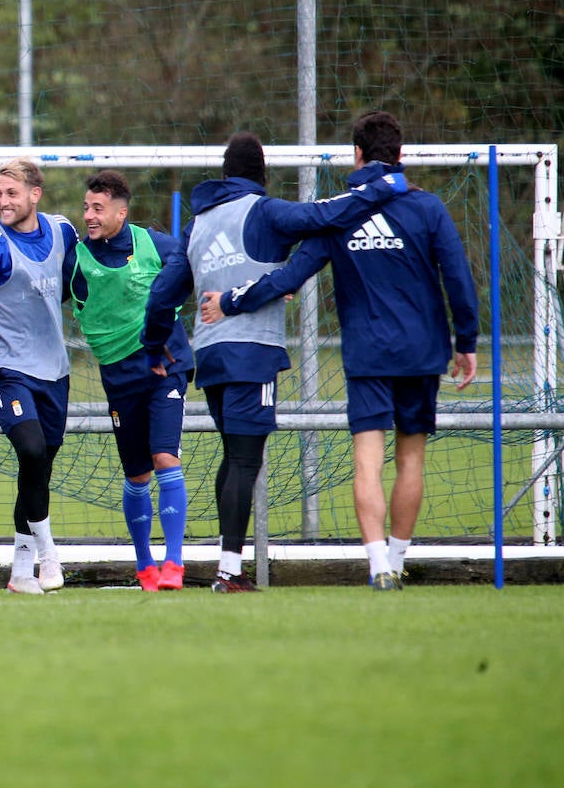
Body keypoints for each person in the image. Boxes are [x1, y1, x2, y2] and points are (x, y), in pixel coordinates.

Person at [198, 112, 477, 590]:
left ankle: (377, 567)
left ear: (357, 155)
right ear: (401, 155)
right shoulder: (427, 208)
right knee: (411, 459)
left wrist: (230, 301)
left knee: (367, 461)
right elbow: (457, 278)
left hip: (367, 354)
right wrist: (465, 342)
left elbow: (288, 277)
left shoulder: (344, 215)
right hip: (422, 351)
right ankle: (396, 558)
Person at [142, 132, 408, 593]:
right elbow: (324, 215)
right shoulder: (263, 211)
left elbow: (164, 291)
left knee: (234, 457)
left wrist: (153, 344)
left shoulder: (199, 223)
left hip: (210, 355)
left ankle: (228, 569)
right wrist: (383, 188)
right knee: (246, 460)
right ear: (262, 175)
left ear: (225, 174)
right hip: (253, 350)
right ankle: (228, 573)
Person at [0, 158, 77, 594]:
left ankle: (22, 574)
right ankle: (49, 557)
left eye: (11, 194)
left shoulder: (63, 230)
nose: (3, 202)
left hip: (54, 370)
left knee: (38, 468)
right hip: (4, 367)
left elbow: (78, 276)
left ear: (34, 195)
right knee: (30, 449)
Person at [69, 170, 193, 591]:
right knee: (137, 475)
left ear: (121, 214)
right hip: (118, 377)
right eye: (86, 207)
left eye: (97, 208)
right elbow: (38, 293)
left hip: (165, 366)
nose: (88, 215)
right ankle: (145, 568)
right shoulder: (77, 259)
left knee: (164, 459)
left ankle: (174, 563)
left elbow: (198, 264)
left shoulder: (154, 244)